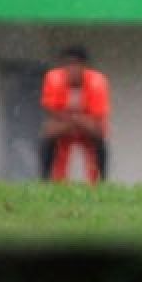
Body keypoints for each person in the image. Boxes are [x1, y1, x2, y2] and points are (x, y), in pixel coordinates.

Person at [40, 45, 111, 183]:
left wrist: (73, 119)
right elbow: (51, 111)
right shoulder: (53, 79)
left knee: (100, 141)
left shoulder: (98, 82)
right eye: (67, 65)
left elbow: (97, 123)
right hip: (67, 127)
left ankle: (100, 183)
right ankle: (46, 180)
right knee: (48, 137)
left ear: (84, 67)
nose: (71, 70)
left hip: (86, 128)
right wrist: (76, 120)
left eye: (75, 65)